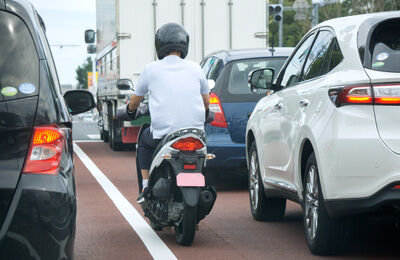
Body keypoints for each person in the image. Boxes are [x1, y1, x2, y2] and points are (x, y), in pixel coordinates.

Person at [128, 23, 210, 203]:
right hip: (195, 134)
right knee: (202, 156)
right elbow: (206, 102)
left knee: (143, 141)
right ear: (184, 44)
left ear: (159, 45)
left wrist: (129, 110)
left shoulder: (151, 69)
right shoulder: (196, 68)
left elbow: (135, 101)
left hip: (163, 134)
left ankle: (145, 186)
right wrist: (206, 114)